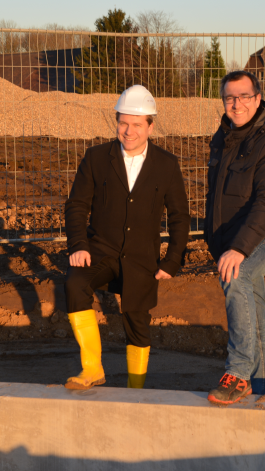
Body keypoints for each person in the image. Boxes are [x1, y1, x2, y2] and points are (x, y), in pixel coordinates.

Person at [63, 84, 190, 390]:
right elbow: (77, 205)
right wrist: (79, 245)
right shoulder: (96, 158)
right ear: (116, 122)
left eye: (136, 124)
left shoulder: (166, 165)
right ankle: (92, 369)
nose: (128, 131)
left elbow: (179, 217)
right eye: (123, 123)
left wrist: (172, 259)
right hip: (100, 250)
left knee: (136, 319)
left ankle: (136, 387)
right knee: (75, 283)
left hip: (141, 256)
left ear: (150, 126)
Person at [204, 70, 265, 405]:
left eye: (243, 96)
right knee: (254, 309)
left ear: (257, 98)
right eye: (230, 97)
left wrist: (239, 250)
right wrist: (219, 242)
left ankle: (239, 374)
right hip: (233, 238)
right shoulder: (224, 136)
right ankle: (262, 388)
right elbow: (217, 195)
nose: (236, 103)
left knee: (237, 274)